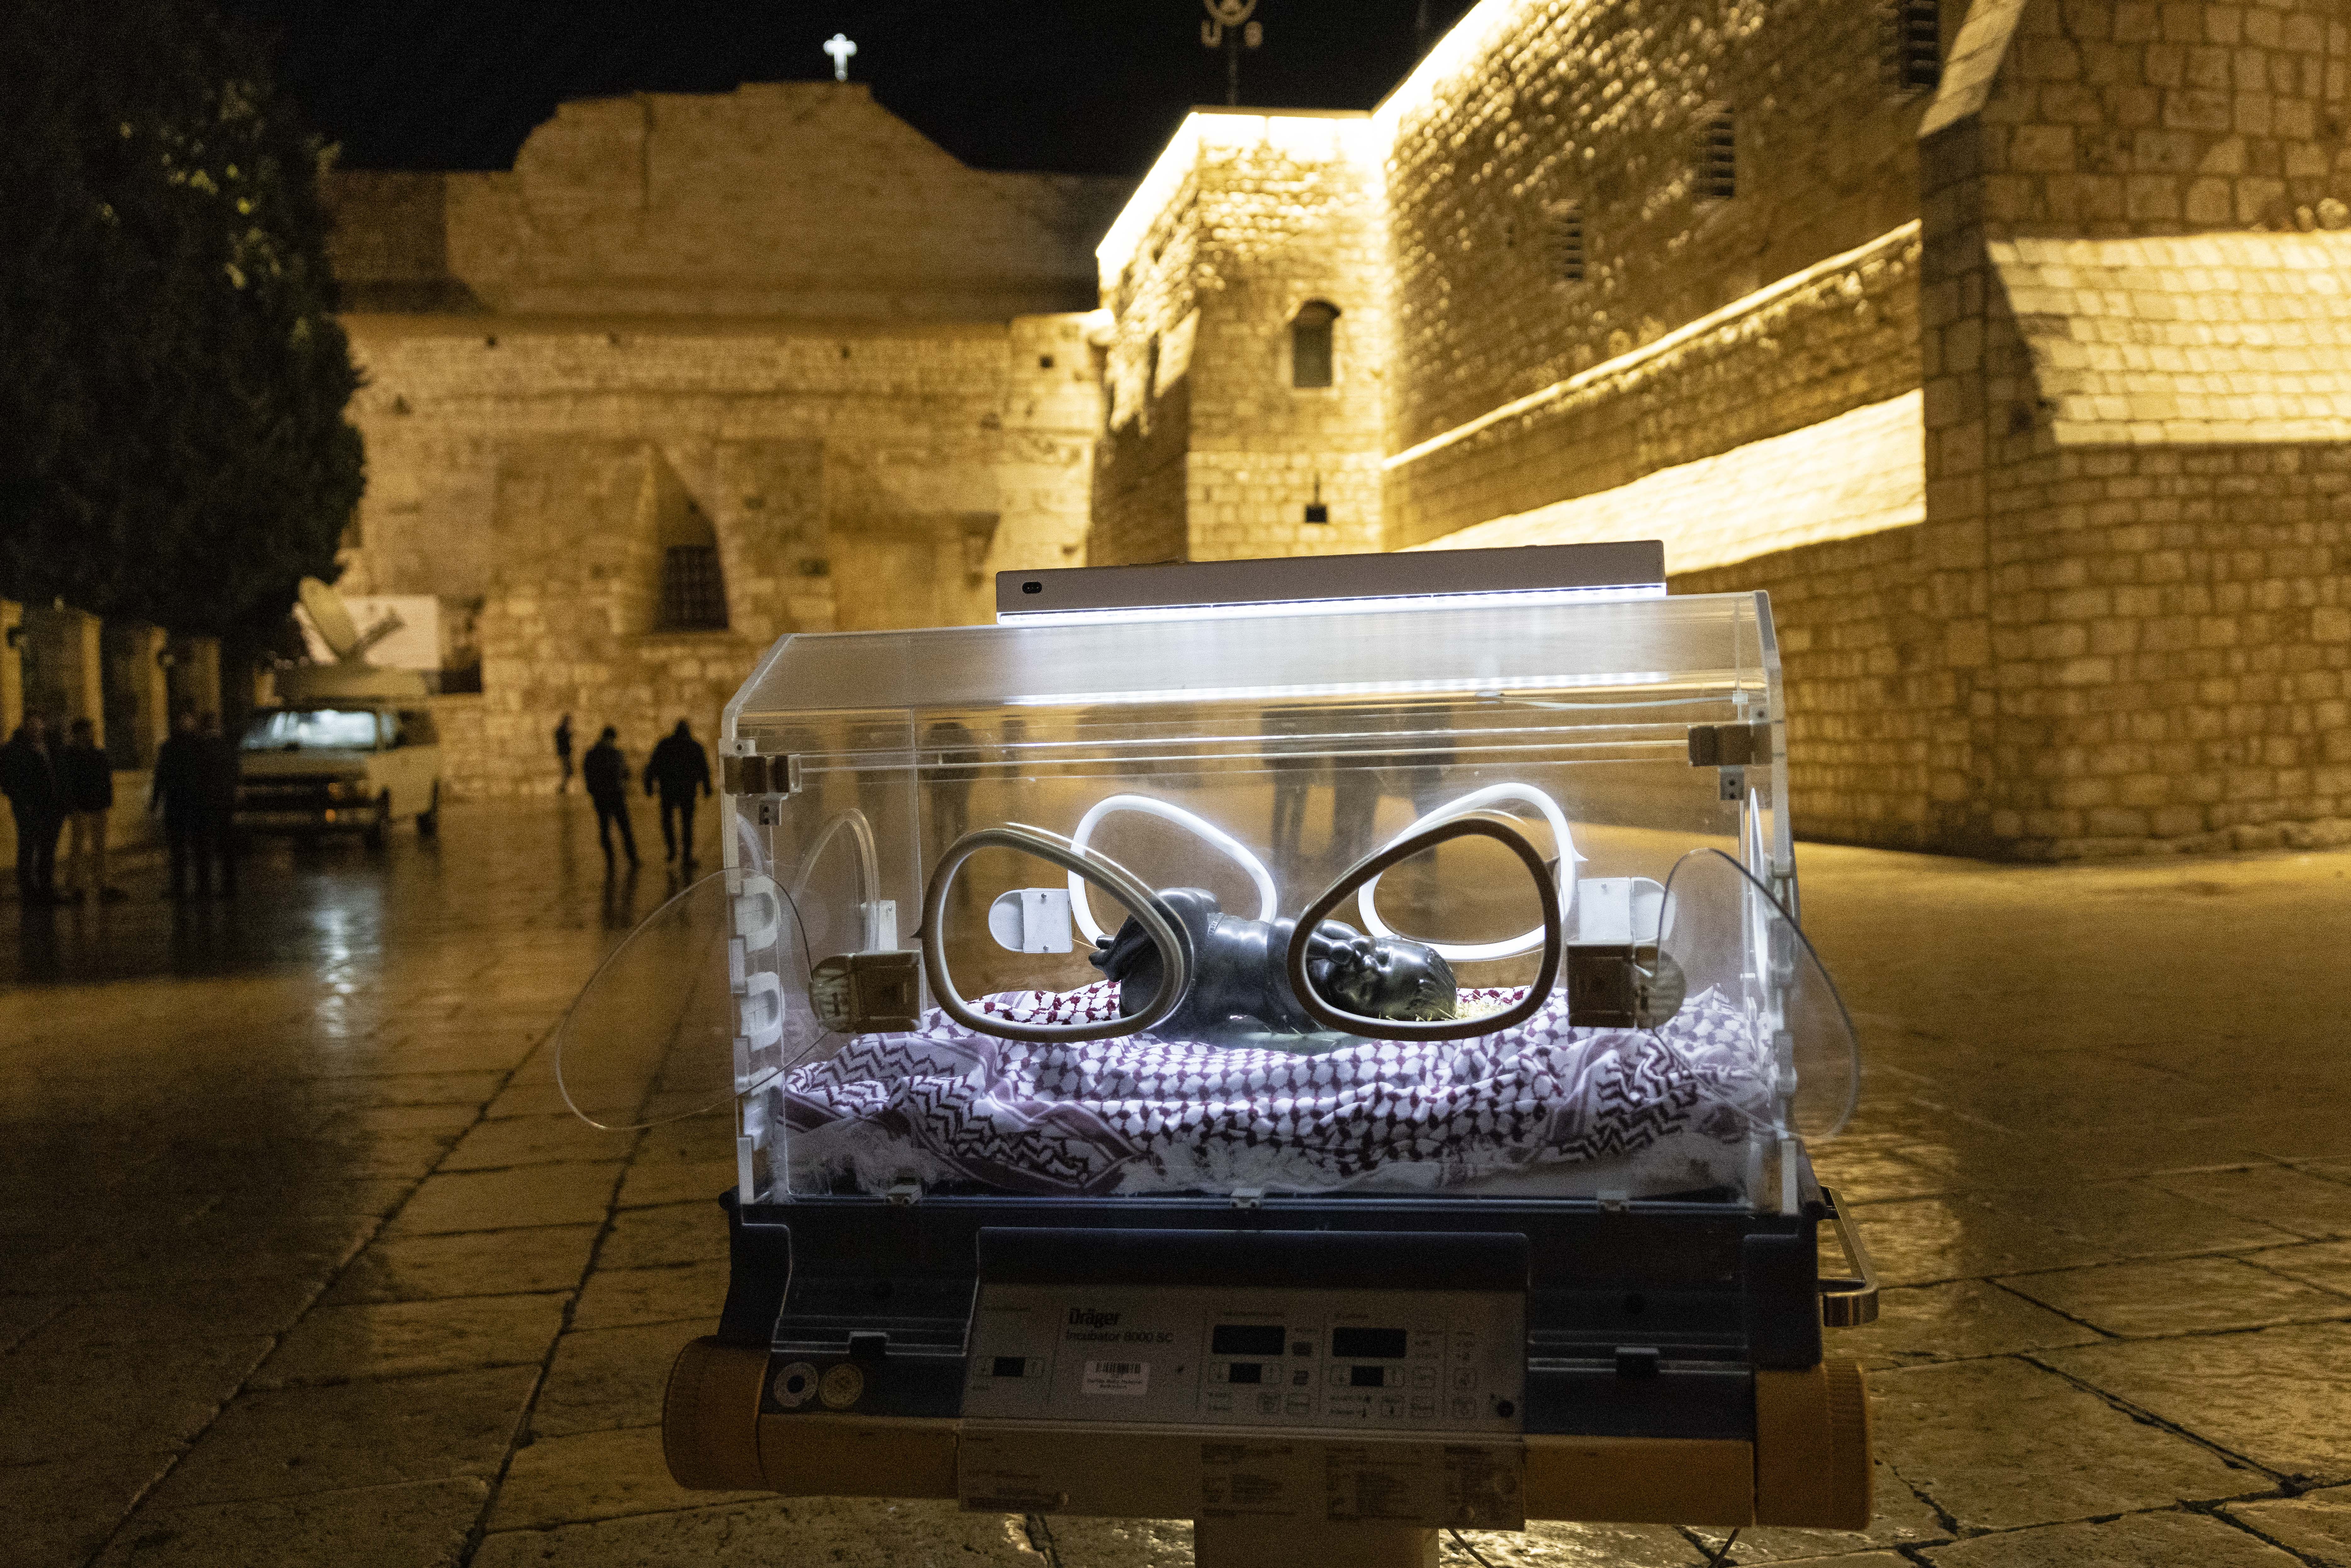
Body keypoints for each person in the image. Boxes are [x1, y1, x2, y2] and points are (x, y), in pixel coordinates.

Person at [58, 717, 125, 903]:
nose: (91, 734)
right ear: (78, 734)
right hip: (81, 806)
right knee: (79, 845)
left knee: (99, 846)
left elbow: (106, 780)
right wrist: (72, 805)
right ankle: (75, 884)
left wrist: (107, 801)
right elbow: (67, 782)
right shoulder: (70, 756)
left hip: (97, 805)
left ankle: (101, 883)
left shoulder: (98, 754)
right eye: (87, 731)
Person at [1, 713, 64, 906]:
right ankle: (28, 891)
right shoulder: (14, 749)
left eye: (40, 724)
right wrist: (22, 800)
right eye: (33, 725)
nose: (38, 729)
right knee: (28, 845)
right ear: (26, 726)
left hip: (51, 806)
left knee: (47, 848)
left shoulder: (48, 746)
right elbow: (8, 779)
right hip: (29, 807)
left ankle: (46, 888)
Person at [150, 710, 210, 899]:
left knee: (191, 847)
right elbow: (161, 776)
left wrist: (156, 800)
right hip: (185, 802)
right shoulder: (194, 746)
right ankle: (193, 886)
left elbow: (161, 776)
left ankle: (193, 886)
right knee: (186, 847)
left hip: (187, 802)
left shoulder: (175, 747)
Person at [643, 719, 712, 866]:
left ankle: (672, 850)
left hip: (668, 791)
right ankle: (686, 856)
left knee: (668, 822)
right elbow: (704, 770)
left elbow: (652, 767)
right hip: (688, 792)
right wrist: (707, 789)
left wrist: (649, 787)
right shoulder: (694, 747)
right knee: (687, 824)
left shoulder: (665, 745)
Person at [582, 725, 638, 868]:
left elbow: (588, 775)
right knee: (624, 828)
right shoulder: (616, 754)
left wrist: (593, 790)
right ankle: (632, 858)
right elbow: (625, 773)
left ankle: (612, 861)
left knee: (606, 828)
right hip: (615, 796)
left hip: (601, 797)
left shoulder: (592, 754)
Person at [199, 712, 241, 895]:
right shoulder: (227, 747)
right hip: (225, 801)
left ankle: (205, 887)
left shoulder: (199, 749)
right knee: (227, 844)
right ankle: (229, 885)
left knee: (204, 845)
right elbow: (235, 772)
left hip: (205, 802)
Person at [553, 713, 575, 794]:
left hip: (565, 754)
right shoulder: (562, 731)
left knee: (568, 771)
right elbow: (563, 743)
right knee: (568, 771)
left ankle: (563, 788)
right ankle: (562, 788)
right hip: (565, 754)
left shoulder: (562, 731)